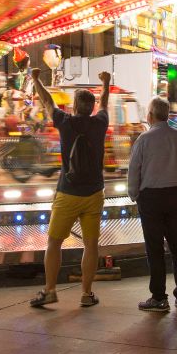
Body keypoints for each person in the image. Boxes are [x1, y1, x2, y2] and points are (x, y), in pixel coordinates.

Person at [28, 68, 111, 309]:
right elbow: (105, 102)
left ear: (74, 106)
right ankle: (86, 293)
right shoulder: (100, 123)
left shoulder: (65, 122)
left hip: (67, 192)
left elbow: (47, 101)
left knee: (54, 242)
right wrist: (106, 82)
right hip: (94, 193)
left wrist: (36, 79)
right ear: (92, 107)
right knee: (91, 244)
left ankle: (50, 290)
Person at [128, 96, 177, 312]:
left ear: (151, 115)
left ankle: (158, 297)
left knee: (154, 248)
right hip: (175, 195)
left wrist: (133, 194)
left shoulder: (144, 139)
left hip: (151, 198)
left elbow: (134, 170)